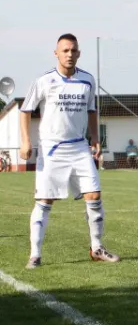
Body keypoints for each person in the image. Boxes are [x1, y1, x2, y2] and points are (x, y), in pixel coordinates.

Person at [19, 33, 121, 269]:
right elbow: (25, 111)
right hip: (52, 149)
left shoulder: (87, 80)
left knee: (94, 196)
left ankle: (96, 248)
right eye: (65, 50)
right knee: (45, 200)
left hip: (79, 147)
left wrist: (95, 137)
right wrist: (26, 142)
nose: (69, 54)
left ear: (79, 53)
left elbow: (92, 110)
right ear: (56, 53)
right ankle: (35, 255)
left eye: (73, 50)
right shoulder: (44, 81)